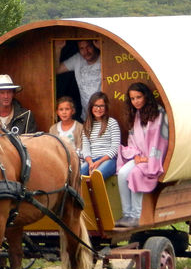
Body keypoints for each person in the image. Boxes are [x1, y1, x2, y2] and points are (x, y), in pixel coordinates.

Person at [115, 82, 169, 227]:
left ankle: (136, 215)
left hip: (154, 157)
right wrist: (136, 156)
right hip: (140, 156)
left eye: (138, 97)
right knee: (122, 173)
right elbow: (132, 140)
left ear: (146, 96)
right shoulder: (136, 115)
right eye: (132, 99)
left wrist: (149, 159)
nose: (136, 101)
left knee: (136, 174)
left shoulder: (158, 114)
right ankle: (126, 214)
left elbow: (160, 141)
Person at [80, 92, 120, 179]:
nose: (98, 109)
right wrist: (90, 163)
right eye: (95, 106)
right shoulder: (87, 125)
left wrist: (99, 162)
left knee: (96, 176)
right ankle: (81, 193)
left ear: (106, 107)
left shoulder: (112, 123)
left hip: (108, 160)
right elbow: (85, 149)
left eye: (101, 106)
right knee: (79, 174)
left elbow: (115, 148)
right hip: (91, 160)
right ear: (91, 107)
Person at [55, 39, 102, 113]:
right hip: (86, 116)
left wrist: (102, 48)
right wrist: (58, 48)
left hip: (103, 113)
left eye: (88, 47)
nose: (86, 52)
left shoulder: (104, 58)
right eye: (82, 48)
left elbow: (116, 67)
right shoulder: (77, 59)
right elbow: (55, 70)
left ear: (94, 46)